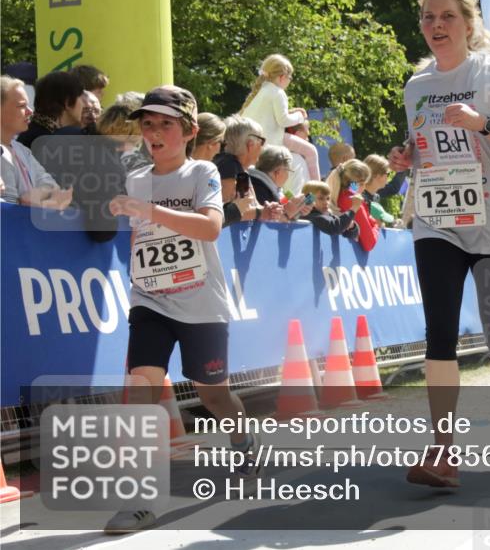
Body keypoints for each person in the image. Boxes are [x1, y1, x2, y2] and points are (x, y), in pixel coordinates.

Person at [387, 0, 490, 488]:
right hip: (439, 222)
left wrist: (484, 125)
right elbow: (423, 146)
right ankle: (443, 450)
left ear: (469, 23)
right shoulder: (417, 86)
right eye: (428, 17)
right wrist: (406, 157)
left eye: (447, 16)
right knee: (440, 336)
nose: (436, 26)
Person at [104, 86, 261, 534]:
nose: (153, 132)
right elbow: (139, 235)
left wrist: (149, 209)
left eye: (165, 124)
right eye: (147, 123)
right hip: (150, 300)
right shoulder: (134, 177)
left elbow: (211, 227)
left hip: (202, 303)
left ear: (190, 131)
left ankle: (244, 442)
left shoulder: (201, 171)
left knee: (214, 395)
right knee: (140, 390)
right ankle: (137, 500)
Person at [25, 71, 126, 242]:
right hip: (78, 243)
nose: (85, 104)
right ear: (67, 103)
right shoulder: (79, 143)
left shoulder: (26, 138)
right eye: (81, 98)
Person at [239, 54, 320, 182]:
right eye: (290, 77)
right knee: (311, 151)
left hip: (256, 141)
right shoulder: (278, 92)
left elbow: (273, 115)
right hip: (271, 141)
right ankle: (317, 189)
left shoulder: (260, 91)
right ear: (282, 77)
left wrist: (291, 112)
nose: (290, 81)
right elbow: (283, 120)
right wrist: (300, 117)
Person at [0, 76, 72, 208]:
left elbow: (51, 184)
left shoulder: (22, 149)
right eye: (21, 106)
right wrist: (46, 202)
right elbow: (8, 209)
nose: (30, 111)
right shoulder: (4, 153)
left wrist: (33, 198)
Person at [329, 158, 379, 252]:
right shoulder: (353, 200)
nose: (364, 188)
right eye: (362, 184)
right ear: (354, 184)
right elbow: (369, 243)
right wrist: (375, 225)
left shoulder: (339, 195)